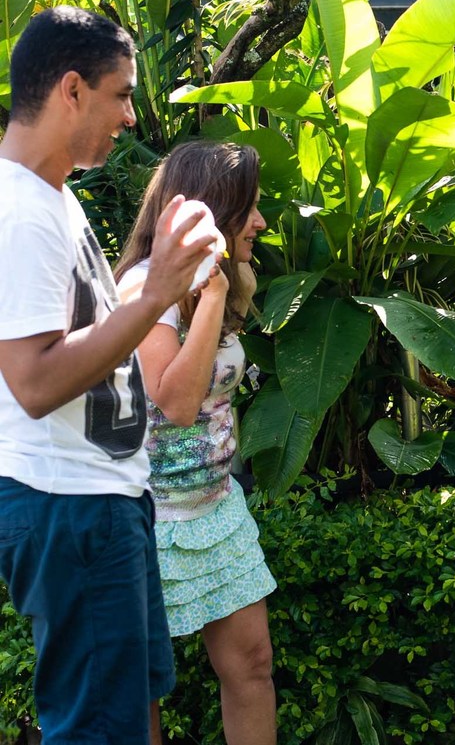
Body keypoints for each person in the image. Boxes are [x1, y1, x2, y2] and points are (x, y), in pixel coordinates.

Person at [0, 7, 217, 743]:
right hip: (69, 505)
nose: (130, 115)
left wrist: (165, 280)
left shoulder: (52, 199)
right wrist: (156, 296)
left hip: (97, 501)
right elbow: (31, 382)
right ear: (70, 90)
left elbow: (85, 332)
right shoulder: (20, 212)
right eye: (121, 94)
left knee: (128, 718)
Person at [115, 142, 276, 744]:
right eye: (249, 210)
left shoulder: (229, 282)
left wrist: (219, 291)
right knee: (142, 689)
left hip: (215, 509)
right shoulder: (142, 286)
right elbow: (176, 403)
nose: (259, 223)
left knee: (253, 666)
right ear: (213, 212)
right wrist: (209, 297)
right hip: (146, 519)